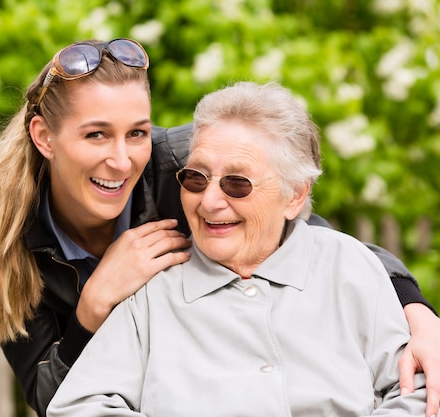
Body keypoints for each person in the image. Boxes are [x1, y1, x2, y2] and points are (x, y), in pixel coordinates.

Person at [0, 39, 440, 417]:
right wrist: (94, 306)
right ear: (44, 137)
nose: (121, 160)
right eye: (96, 134)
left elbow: (307, 238)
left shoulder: (186, 161)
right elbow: (54, 398)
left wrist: (417, 313)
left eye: (137, 132)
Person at [46, 81, 428, 417]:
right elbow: (79, 406)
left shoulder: (349, 267)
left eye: (237, 183)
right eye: (196, 178)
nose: (209, 202)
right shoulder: (150, 289)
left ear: (294, 195)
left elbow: (416, 393)